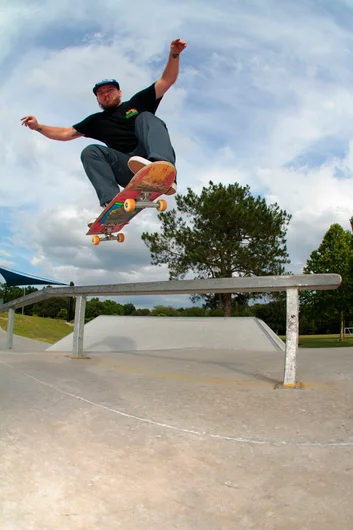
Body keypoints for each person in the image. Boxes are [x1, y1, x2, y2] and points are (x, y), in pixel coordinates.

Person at [21, 38, 187, 209]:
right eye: (101, 93)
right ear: (98, 99)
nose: (106, 95)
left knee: (146, 117)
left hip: (149, 157)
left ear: (119, 92)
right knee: (90, 151)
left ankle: (161, 168)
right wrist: (38, 127)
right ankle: (112, 202)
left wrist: (174, 54)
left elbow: (167, 80)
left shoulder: (138, 102)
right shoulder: (97, 121)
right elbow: (65, 133)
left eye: (110, 91)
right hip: (128, 168)